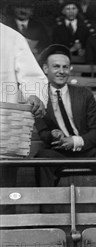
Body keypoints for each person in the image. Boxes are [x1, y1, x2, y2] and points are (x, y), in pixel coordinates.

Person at [34, 44, 96, 190]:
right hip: (59, 151)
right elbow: (43, 133)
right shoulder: (40, 97)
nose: (61, 71)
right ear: (46, 69)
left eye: (65, 67)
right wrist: (52, 135)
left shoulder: (84, 94)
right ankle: (47, 209)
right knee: (41, 157)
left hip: (86, 149)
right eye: (56, 66)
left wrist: (75, 141)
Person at [0, 22, 47, 196]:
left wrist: (35, 96)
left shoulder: (11, 37)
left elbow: (32, 76)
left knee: (3, 193)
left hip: (4, 129)